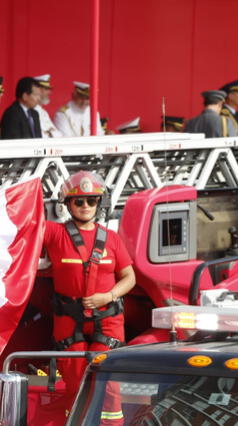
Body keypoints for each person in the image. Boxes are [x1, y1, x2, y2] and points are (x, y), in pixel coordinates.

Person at [42, 171, 135, 416]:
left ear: (99, 203)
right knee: (74, 385)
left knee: (111, 390)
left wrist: (109, 296)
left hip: (108, 320)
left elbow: (129, 278)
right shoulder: (54, 234)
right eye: (78, 201)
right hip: (69, 320)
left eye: (91, 200)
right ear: (68, 204)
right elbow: (22, 226)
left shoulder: (112, 239)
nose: (85, 206)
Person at [34, 74, 62, 138]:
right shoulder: (30, 112)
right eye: (46, 89)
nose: (49, 92)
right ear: (37, 90)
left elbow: (59, 135)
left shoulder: (44, 112)